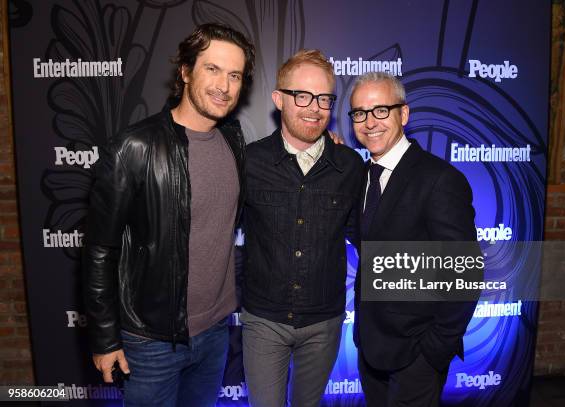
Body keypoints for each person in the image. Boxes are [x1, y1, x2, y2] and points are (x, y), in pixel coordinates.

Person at [82, 23, 255, 406]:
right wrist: (105, 337)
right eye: (212, 69)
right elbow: (99, 250)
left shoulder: (233, 139)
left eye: (234, 75)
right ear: (186, 71)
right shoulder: (133, 147)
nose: (224, 86)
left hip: (215, 332)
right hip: (151, 341)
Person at [240, 49, 363, 407]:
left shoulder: (349, 166)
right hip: (264, 320)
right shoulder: (249, 162)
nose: (314, 108)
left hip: (324, 321)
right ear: (279, 99)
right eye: (302, 96)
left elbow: (367, 236)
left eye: (324, 98)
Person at [350, 72, 479, 406]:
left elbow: (464, 272)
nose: (369, 122)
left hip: (417, 354)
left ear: (403, 114)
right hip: (371, 346)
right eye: (360, 113)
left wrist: (434, 348)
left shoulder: (439, 179)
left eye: (381, 110)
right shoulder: (361, 176)